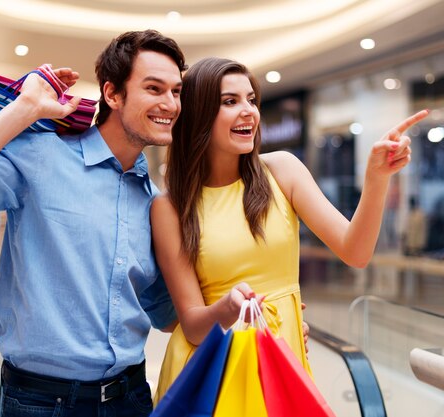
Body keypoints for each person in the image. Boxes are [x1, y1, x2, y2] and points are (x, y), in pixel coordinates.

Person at [0, 30, 186, 417]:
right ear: (112, 94)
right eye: (155, 88)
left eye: (176, 91)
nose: (170, 103)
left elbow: (167, 312)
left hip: (131, 396)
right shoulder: (42, 156)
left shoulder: (154, 200)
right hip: (41, 402)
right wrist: (25, 110)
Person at [151, 57, 429, 400]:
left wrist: (376, 179)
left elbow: (355, 252)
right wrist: (231, 307)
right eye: (229, 101)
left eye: (251, 100)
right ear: (197, 115)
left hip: (283, 362)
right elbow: (192, 326)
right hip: (212, 375)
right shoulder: (169, 207)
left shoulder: (281, 171)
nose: (248, 112)